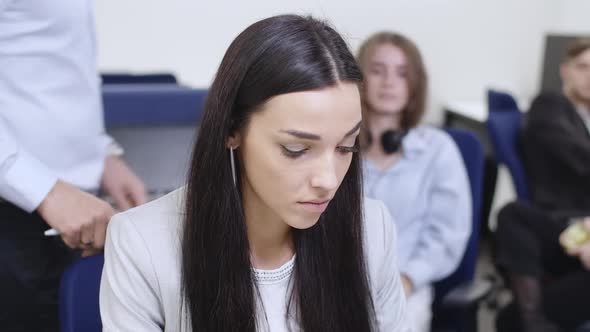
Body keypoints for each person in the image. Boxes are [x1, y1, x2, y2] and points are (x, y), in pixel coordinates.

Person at [99, 15, 411, 332]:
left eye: (346, 147)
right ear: (232, 130)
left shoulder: (372, 231)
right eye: (296, 149)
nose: (328, 180)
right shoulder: (142, 244)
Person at [0, 1, 147, 330]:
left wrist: (101, 154)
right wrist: (46, 191)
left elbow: (55, 63)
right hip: (16, 216)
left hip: (60, 215)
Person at [356, 32, 472, 332]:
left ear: (414, 85)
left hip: (405, 285)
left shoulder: (437, 149)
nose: (388, 82)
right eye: (377, 70)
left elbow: (448, 235)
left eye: (402, 73)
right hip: (335, 282)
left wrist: (408, 279)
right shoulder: (337, 146)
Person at [495, 38, 590, 332]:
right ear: (565, 70)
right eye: (584, 67)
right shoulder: (550, 105)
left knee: (510, 320)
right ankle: (532, 320)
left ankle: (526, 319)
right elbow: (579, 159)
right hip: (565, 227)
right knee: (512, 214)